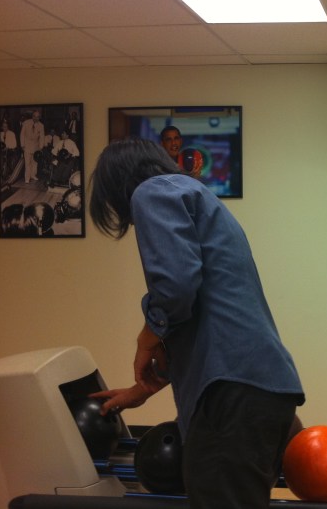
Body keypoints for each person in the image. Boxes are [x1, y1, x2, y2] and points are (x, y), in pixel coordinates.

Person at [88, 139, 304, 509]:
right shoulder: (198, 198)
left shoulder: (152, 191)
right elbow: (210, 314)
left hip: (232, 397)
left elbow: (175, 287)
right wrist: (143, 388)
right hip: (262, 392)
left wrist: (146, 338)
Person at [19, 110, 44, 183]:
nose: (36, 118)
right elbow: (22, 134)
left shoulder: (41, 125)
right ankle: (27, 177)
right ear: (32, 116)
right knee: (27, 163)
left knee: (35, 163)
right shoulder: (26, 123)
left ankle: (33, 175)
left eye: (37, 117)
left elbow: (42, 137)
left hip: (36, 147)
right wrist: (22, 145)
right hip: (26, 146)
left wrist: (41, 147)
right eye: (34, 116)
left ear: (39, 118)